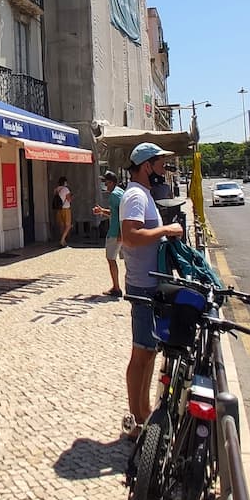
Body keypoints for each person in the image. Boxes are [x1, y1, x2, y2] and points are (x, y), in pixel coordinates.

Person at [120, 143, 184, 439]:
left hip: (149, 283)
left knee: (148, 352)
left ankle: (144, 412)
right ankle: (135, 420)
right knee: (141, 354)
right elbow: (130, 236)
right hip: (143, 285)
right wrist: (165, 231)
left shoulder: (142, 194)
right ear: (146, 166)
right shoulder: (135, 195)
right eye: (160, 164)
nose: (163, 170)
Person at [92, 170, 124, 297]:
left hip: (115, 232)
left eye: (105, 182)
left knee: (111, 259)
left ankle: (116, 288)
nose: (105, 185)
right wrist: (102, 211)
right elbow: (115, 213)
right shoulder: (120, 192)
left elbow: (121, 214)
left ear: (111, 182)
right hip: (120, 232)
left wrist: (120, 233)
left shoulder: (114, 195)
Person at [53, 175, 73, 246]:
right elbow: (69, 199)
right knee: (68, 225)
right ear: (64, 182)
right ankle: (62, 240)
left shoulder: (56, 189)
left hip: (59, 209)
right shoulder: (66, 189)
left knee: (61, 225)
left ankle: (62, 239)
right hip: (66, 208)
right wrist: (72, 196)